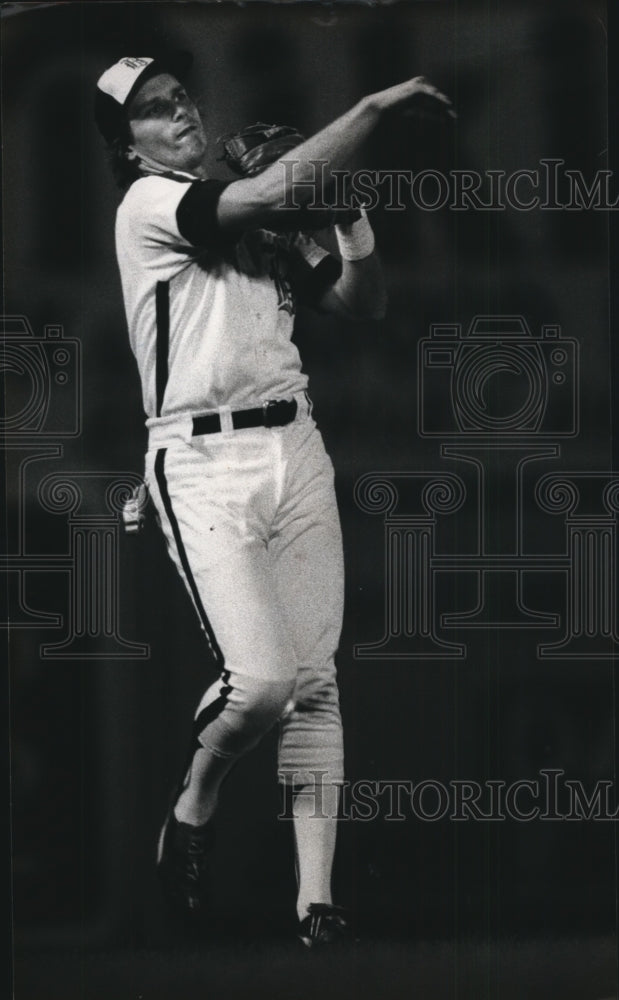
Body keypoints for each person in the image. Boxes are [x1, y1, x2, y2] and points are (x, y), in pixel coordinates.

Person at [94, 51, 453, 947]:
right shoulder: (151, 207)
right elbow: (251, 203)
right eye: (153, 111)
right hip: (202, 459)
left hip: (293, 442)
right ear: (128, 145)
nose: (180, 114)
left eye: (181, 98)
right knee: (260, 686)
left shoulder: (247, 210)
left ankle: (316, 906)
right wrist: (368, 109)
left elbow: (361, 302)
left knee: (317, 684)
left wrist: (347, 214)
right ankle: (193, 800)